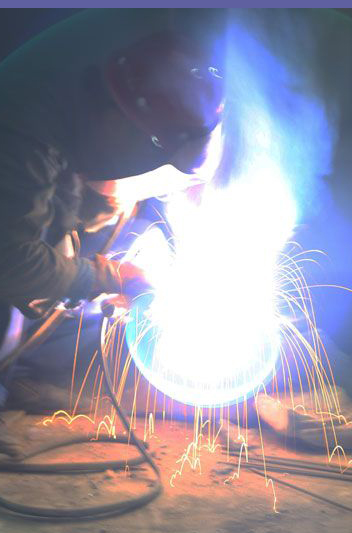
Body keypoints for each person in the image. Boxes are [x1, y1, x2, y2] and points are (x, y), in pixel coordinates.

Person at [0, 26, 224, 458]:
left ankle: (28, 370)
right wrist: (109, 276)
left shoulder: (80, 113)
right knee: (17, 298)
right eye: (152, 154)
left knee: (82, 279)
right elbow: (10, 259)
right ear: (120, 120)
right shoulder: (22, 131)